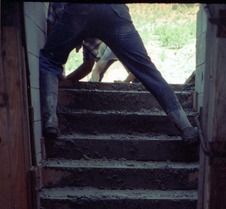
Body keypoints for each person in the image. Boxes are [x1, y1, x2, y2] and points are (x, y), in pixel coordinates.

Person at [40, 3, 199, 144]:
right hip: (114, 10)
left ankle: (51, 121)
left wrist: (60, 78)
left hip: (79, 8)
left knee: (50, 60)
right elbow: (89, 64)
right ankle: (186, 127)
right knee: (146, 69)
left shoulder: (57, 7)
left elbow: (53, 35)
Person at [46, 2, 135, 84]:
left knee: (134, 70)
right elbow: (93, 68)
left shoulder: (97, 30)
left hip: (114, 38)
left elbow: (89, 67)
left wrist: (125, 82)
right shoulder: (62, 11)